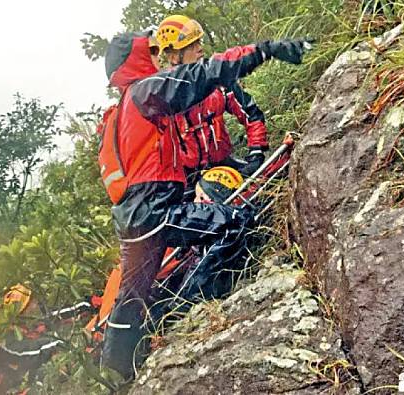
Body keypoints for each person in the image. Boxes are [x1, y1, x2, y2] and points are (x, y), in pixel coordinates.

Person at [99, 29, 310, 379]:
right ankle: (187, 316)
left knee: (132, 296)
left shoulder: (123, 107)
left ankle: (116, 371)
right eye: (149, 52)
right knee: (232, 223)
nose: (157, 57)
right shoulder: (145, 92)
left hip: (133, 219)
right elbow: (204, 74)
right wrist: (265, 50)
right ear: (134, 59)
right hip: (155, 211)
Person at [155, 15, 272, 194]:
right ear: (173, 56)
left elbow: (251, 113)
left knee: (266, 181)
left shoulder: (219, 83)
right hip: (185, 179)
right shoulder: (162, 95)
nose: (200, 48)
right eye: (191, 46)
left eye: (199, 42)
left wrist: (256, 150)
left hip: (222, 164)